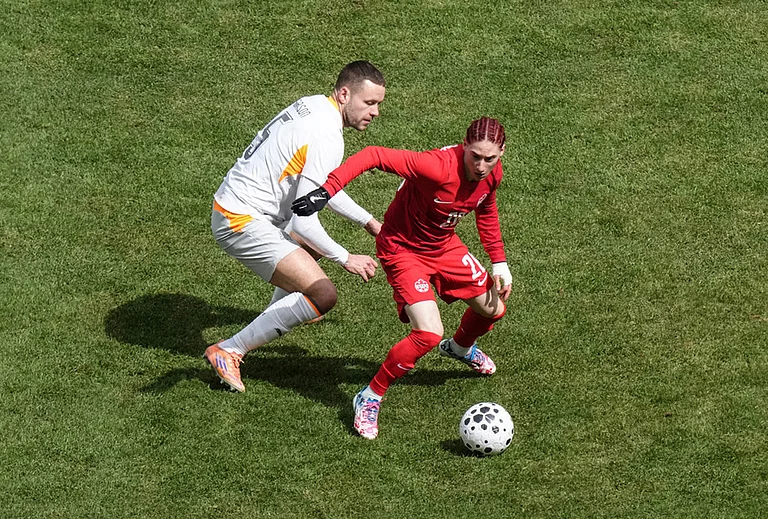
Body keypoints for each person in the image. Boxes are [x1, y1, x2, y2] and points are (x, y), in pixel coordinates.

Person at [292, 116, 513, 439]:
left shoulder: (492, 175)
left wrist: (499, 262)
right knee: (427, 333)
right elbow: (373, 155)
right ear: (464, 146)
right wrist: (327, 190)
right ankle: (370, 395)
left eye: (489, 159)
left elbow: (486, 210)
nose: (481, 165)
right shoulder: (435, 167)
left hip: (444, 246)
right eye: (474, 156)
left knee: (494, 309)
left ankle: (461, 348)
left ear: (501, 153)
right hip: (403, 250)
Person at [205, 61, 387, 392]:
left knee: (307, 284)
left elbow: (321, 192)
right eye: (369, 103)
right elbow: (304, 222)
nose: (375, 112)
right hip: (240, 219)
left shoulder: (316, 105)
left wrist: (369, 222)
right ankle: (228, 350)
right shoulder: (327, 136)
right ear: (344, 93)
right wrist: (346, 258)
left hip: (237, 205)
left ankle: (276, 317)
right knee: (323, 295)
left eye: (379, 105)